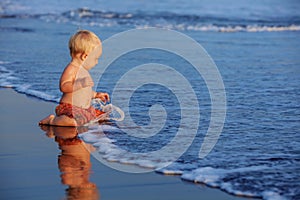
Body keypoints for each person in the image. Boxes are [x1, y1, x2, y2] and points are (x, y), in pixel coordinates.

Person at [39, 30, 109, 126]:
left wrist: (96, 94)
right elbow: (63, 87)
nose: (96, 62)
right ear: (85, 56)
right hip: (69, 107)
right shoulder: (71, 68)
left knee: (103, 116)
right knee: (73, 122)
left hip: (83, 109)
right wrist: (80, 83)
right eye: (95, 59)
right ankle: (52, 120)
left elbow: (84, 92)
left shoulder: (84, 71)